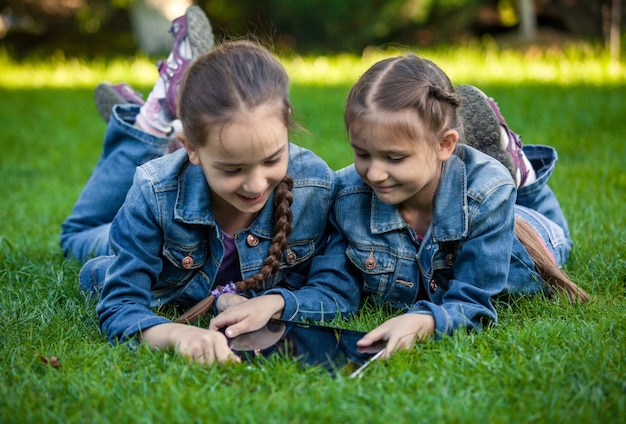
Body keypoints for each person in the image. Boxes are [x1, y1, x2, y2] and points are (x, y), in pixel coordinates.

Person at [60, 6, 360, 364]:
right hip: (161, 203)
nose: (255, 184)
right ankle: (150, 124)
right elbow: (121, 303)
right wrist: (174, 333)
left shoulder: (316, 185)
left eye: (271, 159)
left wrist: (269, 302)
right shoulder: (154, 194)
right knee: (77, 236)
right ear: (193, 150)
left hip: (192, 163)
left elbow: (337, 288)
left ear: (286, 124)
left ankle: (164, 122)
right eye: (233, 168)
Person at [330, 54, 588, 358]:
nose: (373, 173)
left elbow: (473, 300)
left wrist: (424, 321)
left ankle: (522, 174)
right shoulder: (347, 192)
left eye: (394, 158)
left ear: (444, 145)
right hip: (461, 191)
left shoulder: (488, 194)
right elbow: (330, 280)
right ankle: (487, 159)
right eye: (362, 154)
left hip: (524, 236)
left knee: (557, 238)